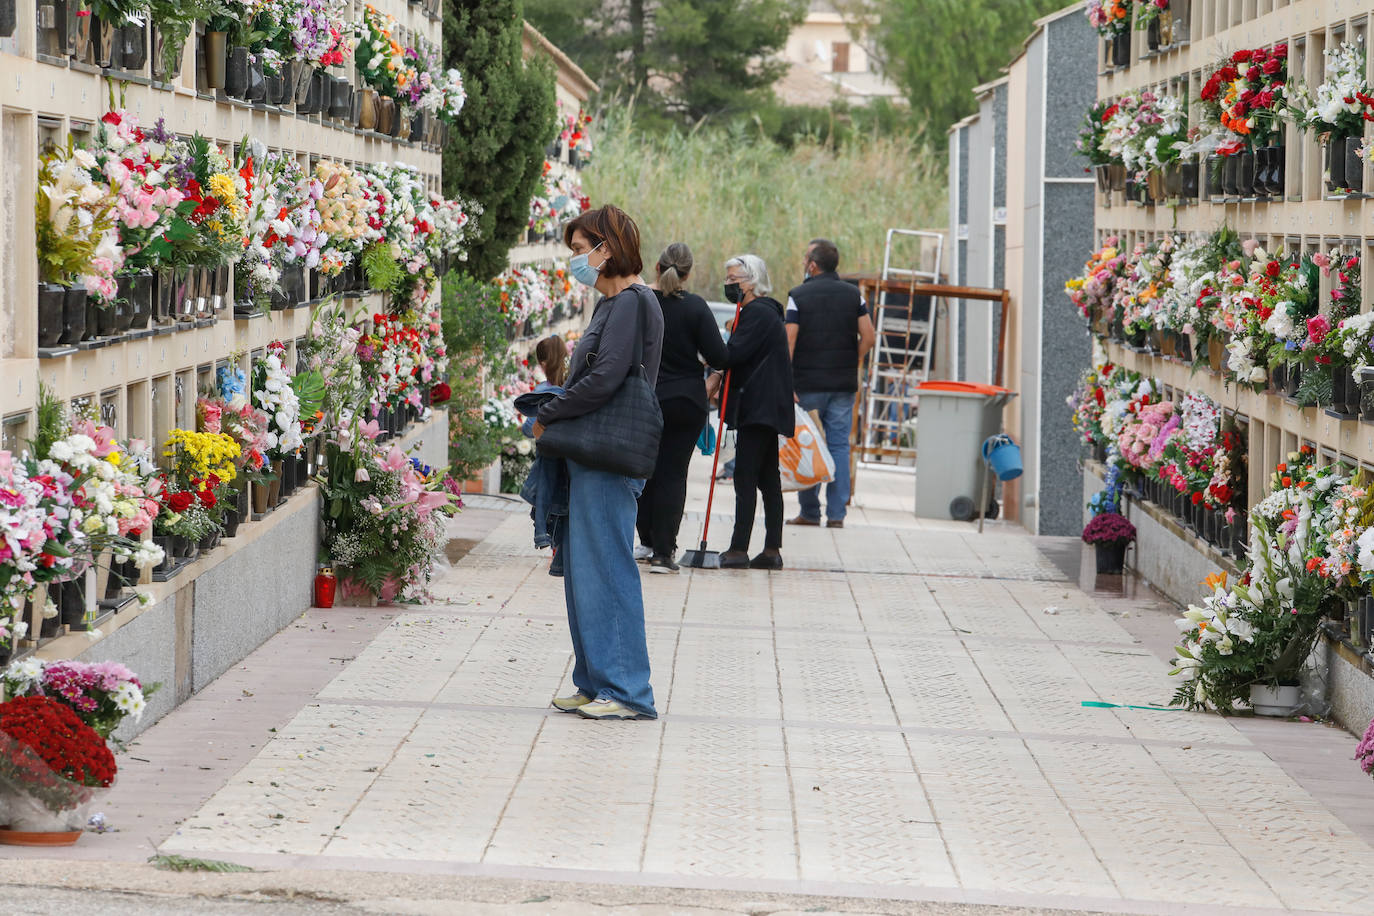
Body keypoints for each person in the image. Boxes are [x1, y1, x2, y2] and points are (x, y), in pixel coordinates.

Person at [531, 205, 663, 721]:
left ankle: (627, 691)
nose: (577, 260)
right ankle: (594, 681)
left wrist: (550, 413)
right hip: (591, 457)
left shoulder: (631, 302)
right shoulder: (611, 304)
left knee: (608, 569)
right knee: (585, 574)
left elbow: (607, 376)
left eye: (581, 249)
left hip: (610, 459)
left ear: (607, 249)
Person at [636, 243, 729, 574]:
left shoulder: (640, 302)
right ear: (688, 274)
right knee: (673, 474)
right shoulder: (696, 307)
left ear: (657, 267)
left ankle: (646, 541)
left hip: (645, 398)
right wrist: (711, 370)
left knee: (643, 470)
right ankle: (663, 554)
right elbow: (720, 356)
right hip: (686, 401)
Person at [708, 254, 794, 570]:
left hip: (758, 407)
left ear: (752, 281)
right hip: (765, 405)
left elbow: (732, 354)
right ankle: (771, 549)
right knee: (768, 479)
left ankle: (739, 548)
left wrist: (709, 350)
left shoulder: (757, 313)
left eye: (734, 280)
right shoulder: (765, 313)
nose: (728, 284)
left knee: (745, 476)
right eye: (727, 279)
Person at [783, 238, 875, 529]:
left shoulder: (798, 295)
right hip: (842, 385)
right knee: (838, 446)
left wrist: (785, 380)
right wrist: (851, 358)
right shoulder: (853, 295)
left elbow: (789, 340)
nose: (803, 263)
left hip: (807, 385)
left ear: (812, 265)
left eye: (805, 259)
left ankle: (810, 512)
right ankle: (836, 514)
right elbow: (869, 336)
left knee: (808, 443)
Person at [519, 335, 568, 438]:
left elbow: (530, 429)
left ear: (543, 364)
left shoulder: (543, 392)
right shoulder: (576, 382)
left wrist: (521, 429)